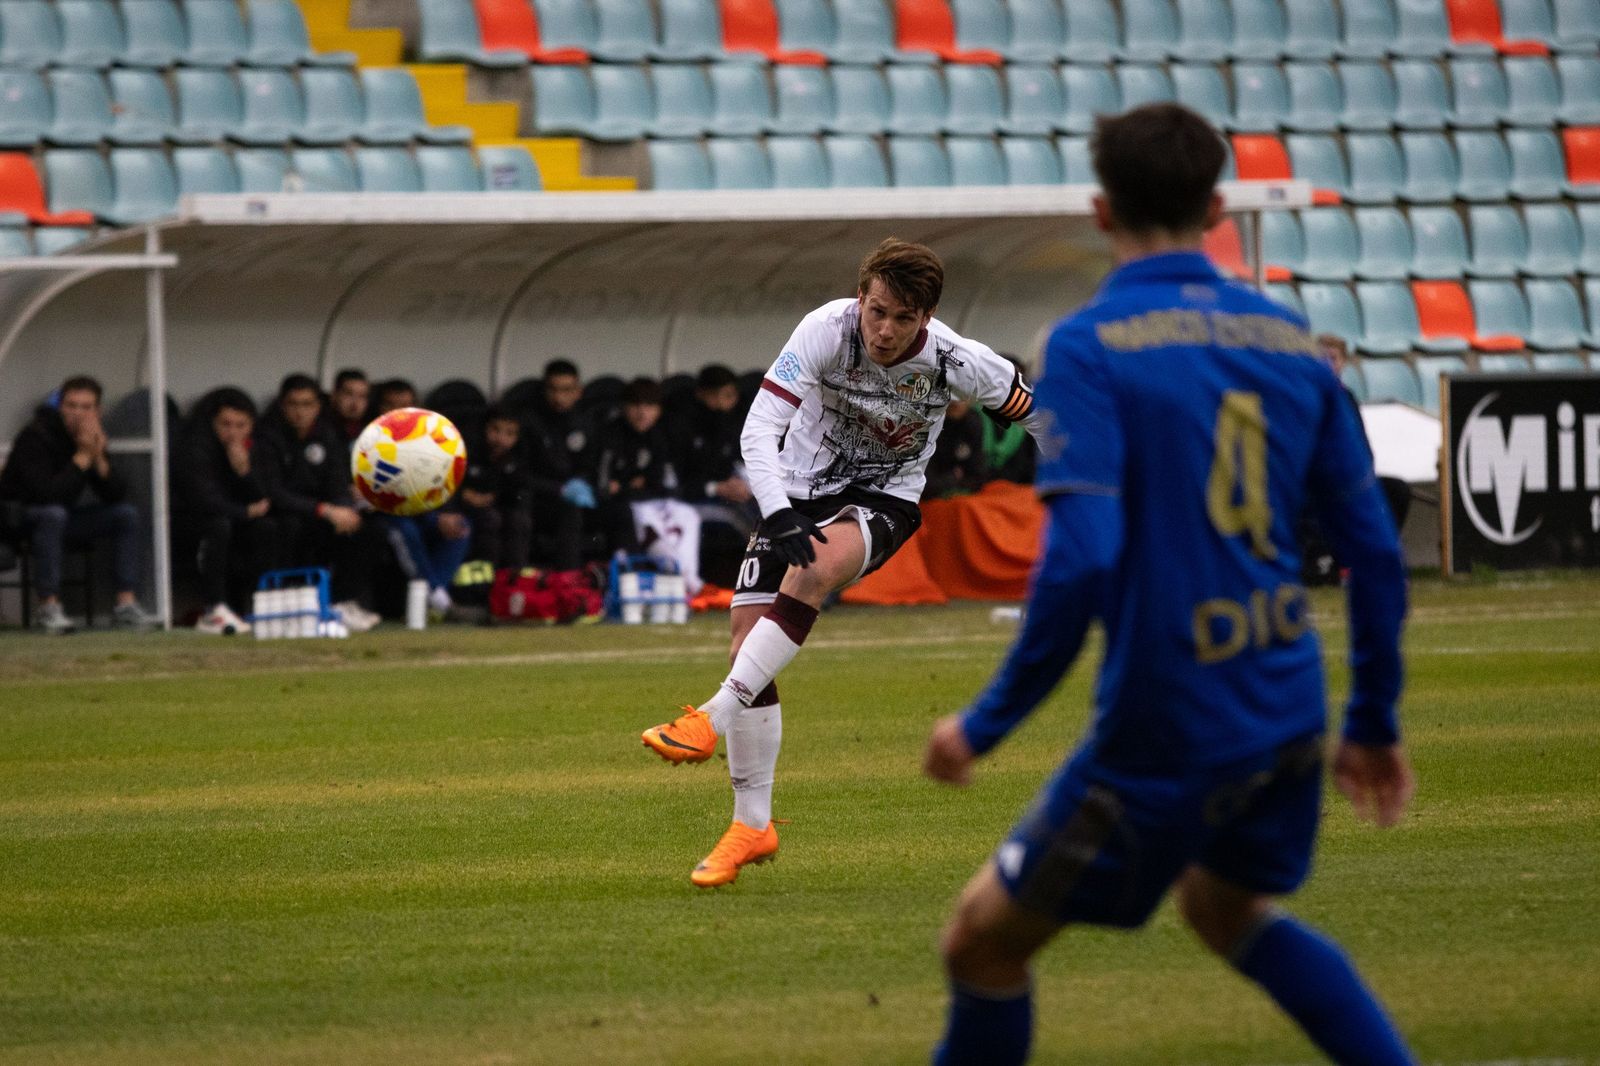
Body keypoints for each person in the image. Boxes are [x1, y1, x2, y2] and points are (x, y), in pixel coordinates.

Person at [921, 104, 1415, 1066]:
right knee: (1224, 906)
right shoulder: (1290, 344)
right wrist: (1373, 721)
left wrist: (984, 724)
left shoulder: (1089, 347)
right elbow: (1377, 554)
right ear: (1218, 205)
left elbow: (1083, 557)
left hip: (1167, 724)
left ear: (1102, 212)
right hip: (1285, 708)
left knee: (981, 943)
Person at [639, 238, 1050, 888]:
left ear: (927, 316)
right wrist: (776, 512)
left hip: (882, 498)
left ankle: (708, 718)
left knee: (814, 571)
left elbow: (1045, 421)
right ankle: (752, 826)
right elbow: (758, 427)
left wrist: (1087, 486)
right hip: (794, 496)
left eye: (903, 318)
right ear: (862, 298)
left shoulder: (960, 362)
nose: (885, 330)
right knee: (748, 644)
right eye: (877, 311)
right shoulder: (826, 330)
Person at [0, 375, 158, 634]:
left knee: (124, 515)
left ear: (98, 411)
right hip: (18, 520)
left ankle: (126, 605)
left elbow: (115, 494)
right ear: (60, 407)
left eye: (86, 407)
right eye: (71, 406)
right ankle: (48, 607)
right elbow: (46, 495)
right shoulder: (35, 436)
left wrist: (98, 460)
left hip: (62, 516)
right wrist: (83, 457)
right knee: (53, 514)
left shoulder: (89, 436)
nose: (78, 413)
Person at [254, 374, 380, 632]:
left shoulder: (327, 435)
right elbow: (274, 492)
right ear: (282, 405)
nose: (300, 412)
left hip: (319, 512)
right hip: (284, 512)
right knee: (289, 527)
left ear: (318, 406)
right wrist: (324, 510)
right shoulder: (268, 437)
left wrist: (344, 508)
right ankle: (291, 602)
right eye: (294, 404)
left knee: (368, 529)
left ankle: (343, 601)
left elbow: (337, 480)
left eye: (307, 404)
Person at [172, 388, 280, 635]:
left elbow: (265, 498)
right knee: (218, 525)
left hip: (235, 517)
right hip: (191, 521)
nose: (233, 432)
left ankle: (260, 603)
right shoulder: (195, 448)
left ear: (251, 425)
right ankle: (214, 609)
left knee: (268, 527)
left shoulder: (257, 447)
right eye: (226, 424)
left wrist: (244, 473)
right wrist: (243, 511)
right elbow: (202, 500)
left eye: (241, 425)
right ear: (213, 423)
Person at [596, 377, 703, 594]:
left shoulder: (660, 435)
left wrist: (631, 482)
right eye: (636, 406)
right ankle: (678, 580)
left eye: (650, 407)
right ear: (625, 407)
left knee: (688, 515)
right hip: (629, 505)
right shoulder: (611, 434)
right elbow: (607, 486)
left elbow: (661, 481)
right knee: (650, 523)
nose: (642, 413)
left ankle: (689, 579)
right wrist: (633, 484)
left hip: (659, 500)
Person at [523, 359, 598, 568]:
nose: (559, 397)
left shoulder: (586, 423)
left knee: (620, 511)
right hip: (542, 498)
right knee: (569, 512)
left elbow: (590, 465)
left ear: (578, 391)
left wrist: (582, 483)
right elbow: (522, 473)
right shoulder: (530, 422)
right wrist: (560, 489)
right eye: (553, 390)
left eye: (566, 390)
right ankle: (569, 579)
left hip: (579, 496)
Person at [458, 406, 536, 571]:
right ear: (485, 428)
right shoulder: (466, 449)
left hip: (501, 505)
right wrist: (464, 494)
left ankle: (514, 576)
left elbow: (520, 489)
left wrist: (495, 496)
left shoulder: (518, 456)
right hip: (465, 506)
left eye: (509, 433)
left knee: (519, 520)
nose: (501, 439)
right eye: (495, 430)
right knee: (490, 519)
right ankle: (487, 577)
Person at [325, 369, 370, 447]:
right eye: (349, 394)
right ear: (334, 395)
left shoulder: (373, 431)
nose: (355, 402)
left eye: (362, 396)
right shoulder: (319, 429)